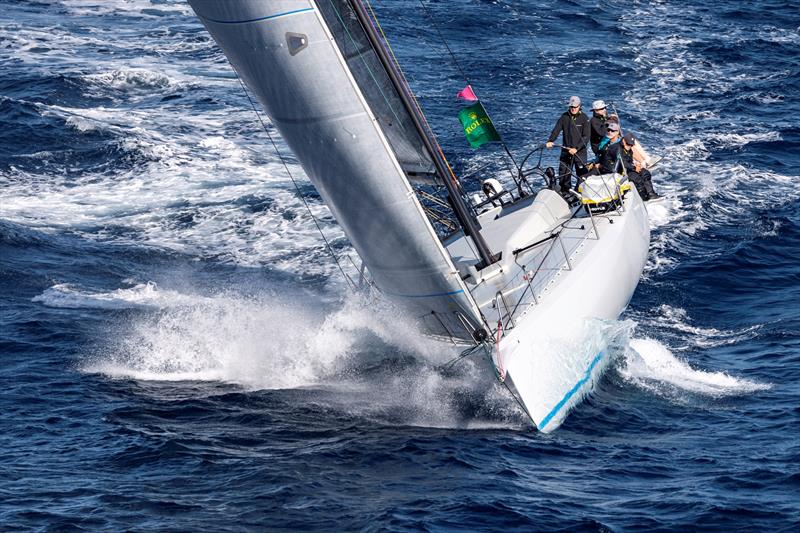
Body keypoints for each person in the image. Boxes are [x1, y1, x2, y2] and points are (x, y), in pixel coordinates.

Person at [546, 96, 590, 197]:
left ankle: (579, 194)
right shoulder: (564, 117)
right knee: (563, 174)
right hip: (566, 150)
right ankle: (565, 193)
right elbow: (556, 130)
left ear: (580, 106)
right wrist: (550, 141)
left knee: (582, 175)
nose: (573, 109)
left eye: (575, 107)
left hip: (579, 151)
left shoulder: (585, 118)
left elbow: (586, 137)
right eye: (571, 107)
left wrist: (576, 148)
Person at [619, 133, 660, 200]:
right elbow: (622, 163)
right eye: (628, 144)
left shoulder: (628, 149)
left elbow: (629, 160)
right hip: (621, 170)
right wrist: (634, 168)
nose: (629, 146)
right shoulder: (617, 149)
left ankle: (651, 194)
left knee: (645, 173)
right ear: (623, 141)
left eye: (631, 145)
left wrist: (636, 165)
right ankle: (643, 197)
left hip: (629, 167)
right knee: (637, 178)